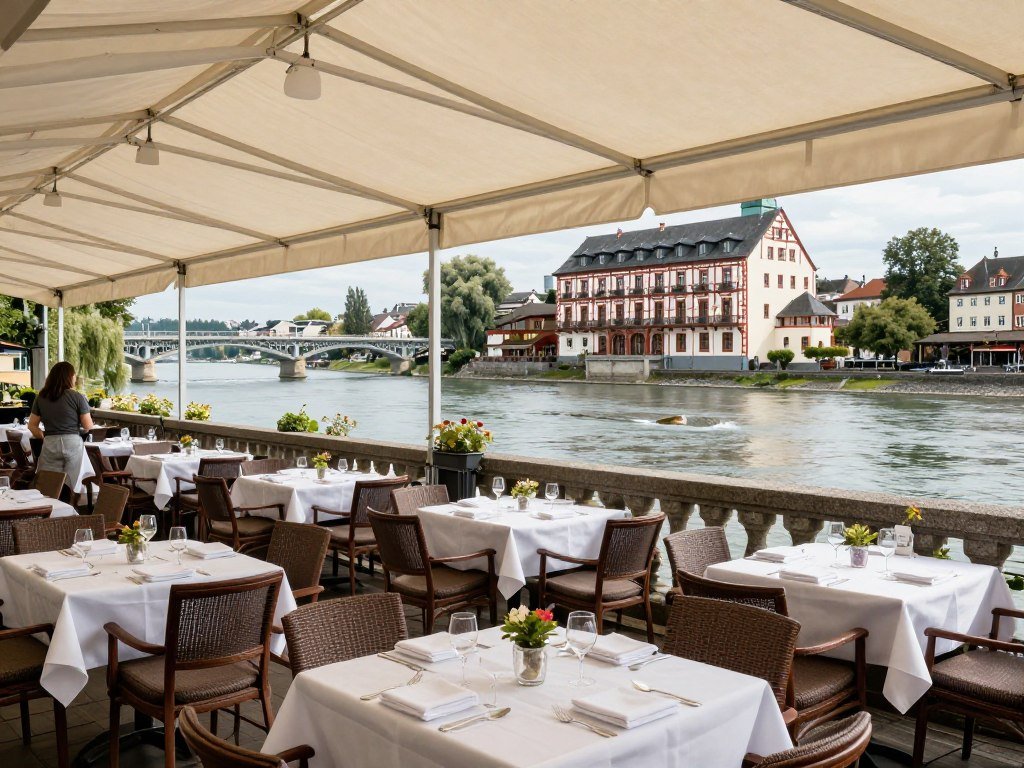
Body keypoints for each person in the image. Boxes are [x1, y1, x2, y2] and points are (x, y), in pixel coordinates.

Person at [27, 361, 94, 476]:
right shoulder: (77, 396)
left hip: (50, 443)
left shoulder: (41, 397)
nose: (75, 379)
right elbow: (88, 426)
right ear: (70, 377)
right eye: (74, 376)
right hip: (72, 442)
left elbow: (32, 425)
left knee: (50, 482)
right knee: (73, 482)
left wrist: (42, 436)